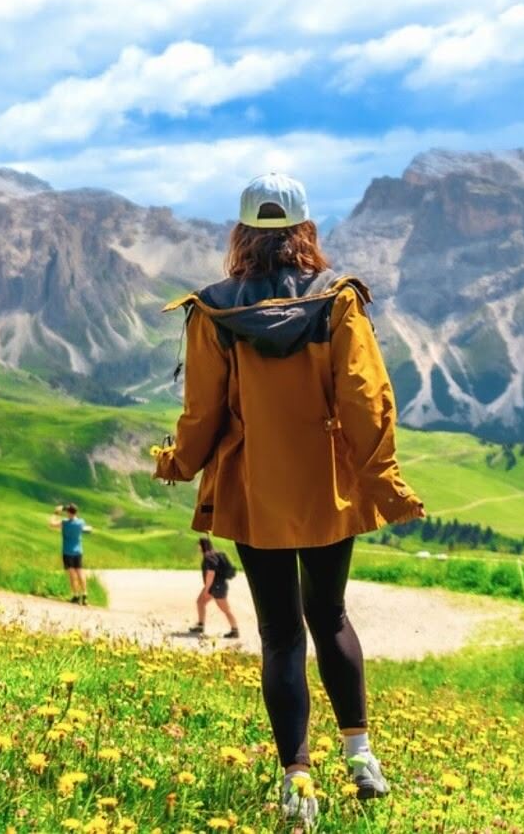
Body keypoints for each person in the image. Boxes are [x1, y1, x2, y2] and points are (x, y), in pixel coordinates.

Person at [152, 173, 424, 827]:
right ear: (306, 231)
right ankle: (361, 758)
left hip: (255, 490)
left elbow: (202, 412)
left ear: (242, 235)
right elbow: (366, 398)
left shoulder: (213, 310)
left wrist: (178, 463)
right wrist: (384, 480)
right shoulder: (338, 303)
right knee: (328, 616)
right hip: (328, 488)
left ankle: (298, 784)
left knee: (279, 635)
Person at [190, 537, 240, 639]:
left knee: (225, 609)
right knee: (200, 602)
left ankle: (235, 630)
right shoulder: (218, 554)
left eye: (199, 545)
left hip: (216, 587)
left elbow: (210, 574)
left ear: (202, 546)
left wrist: (207, 589)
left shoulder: (208, 557)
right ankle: (200, 625)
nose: (198, 548)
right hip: (217, 585)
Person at [50, 504, 90, 604]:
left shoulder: (64, 523)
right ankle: (85, 594)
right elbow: (85, 529)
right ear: (76, 512)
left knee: (72, 574)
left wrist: (56, 512)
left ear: (68, 512)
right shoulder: (81, 522)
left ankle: (75, 595)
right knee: (80, 572)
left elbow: (51, 524)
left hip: (67, 551)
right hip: (78, 551)